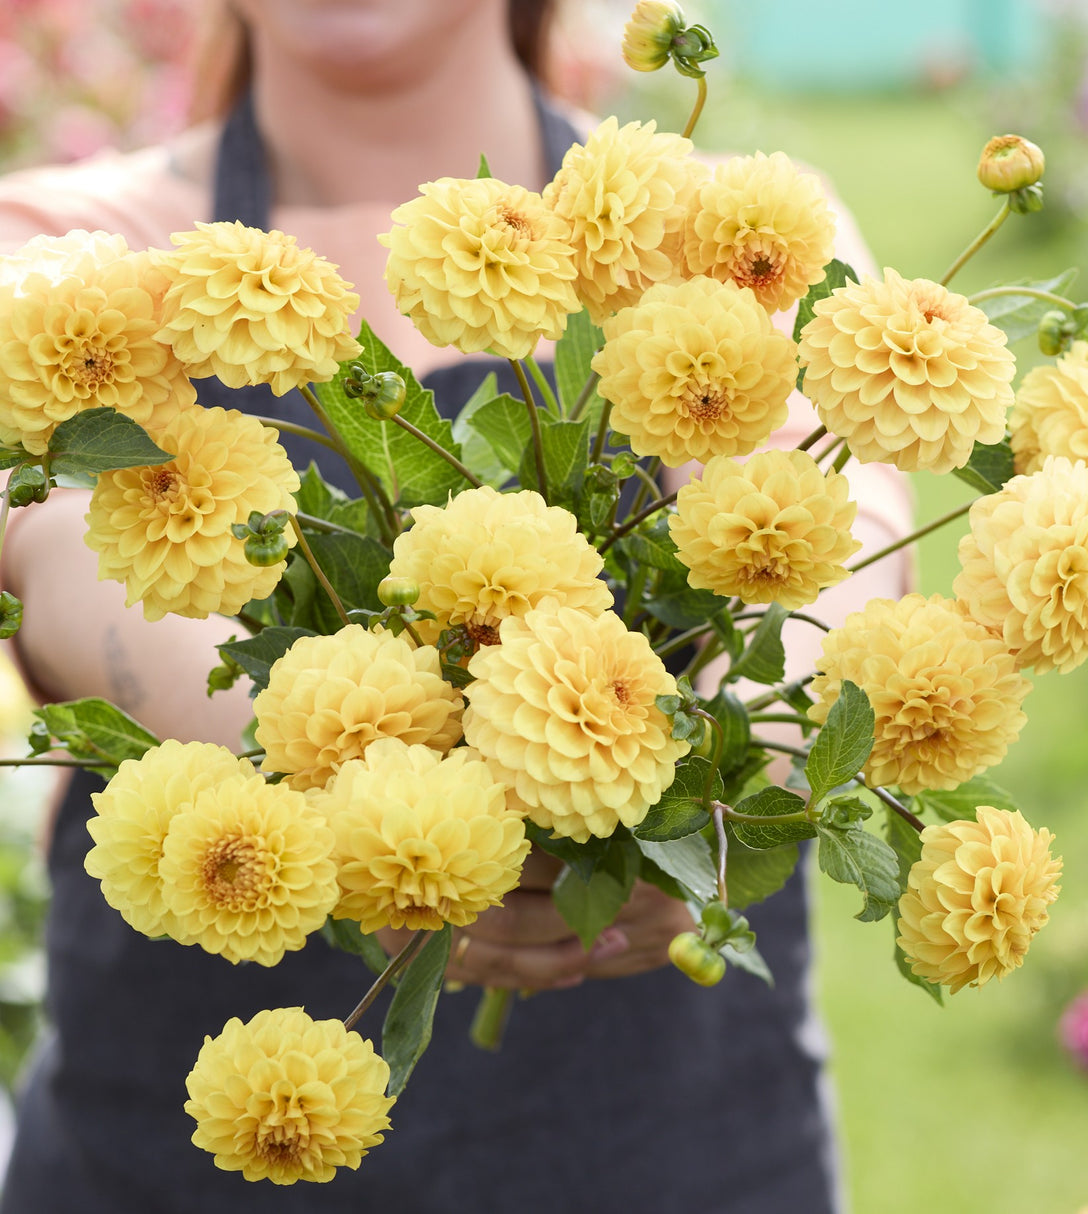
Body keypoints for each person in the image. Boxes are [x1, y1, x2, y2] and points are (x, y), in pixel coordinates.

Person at [0, 2, 911, 1210]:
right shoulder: (66, 254)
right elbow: (71, 554)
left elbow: (844, 541)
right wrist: (362, 829)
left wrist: (721, 804)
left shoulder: (717, 230)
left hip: (676, 1161)